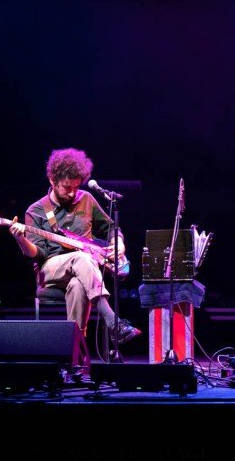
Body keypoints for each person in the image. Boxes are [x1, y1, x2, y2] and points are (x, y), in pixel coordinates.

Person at [8, 147, 142, 347]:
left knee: (79, 285)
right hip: (50, 269)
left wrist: (118, 242)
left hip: (84, 271)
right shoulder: (36, 210)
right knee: (81, 258)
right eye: (66, 187)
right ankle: (113, 322)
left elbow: (110, 228)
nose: (72, 193)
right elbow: (36, 254)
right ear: (52, 180)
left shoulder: (86, 199)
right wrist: (20, 239)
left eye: (76, 187)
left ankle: (74, 349)